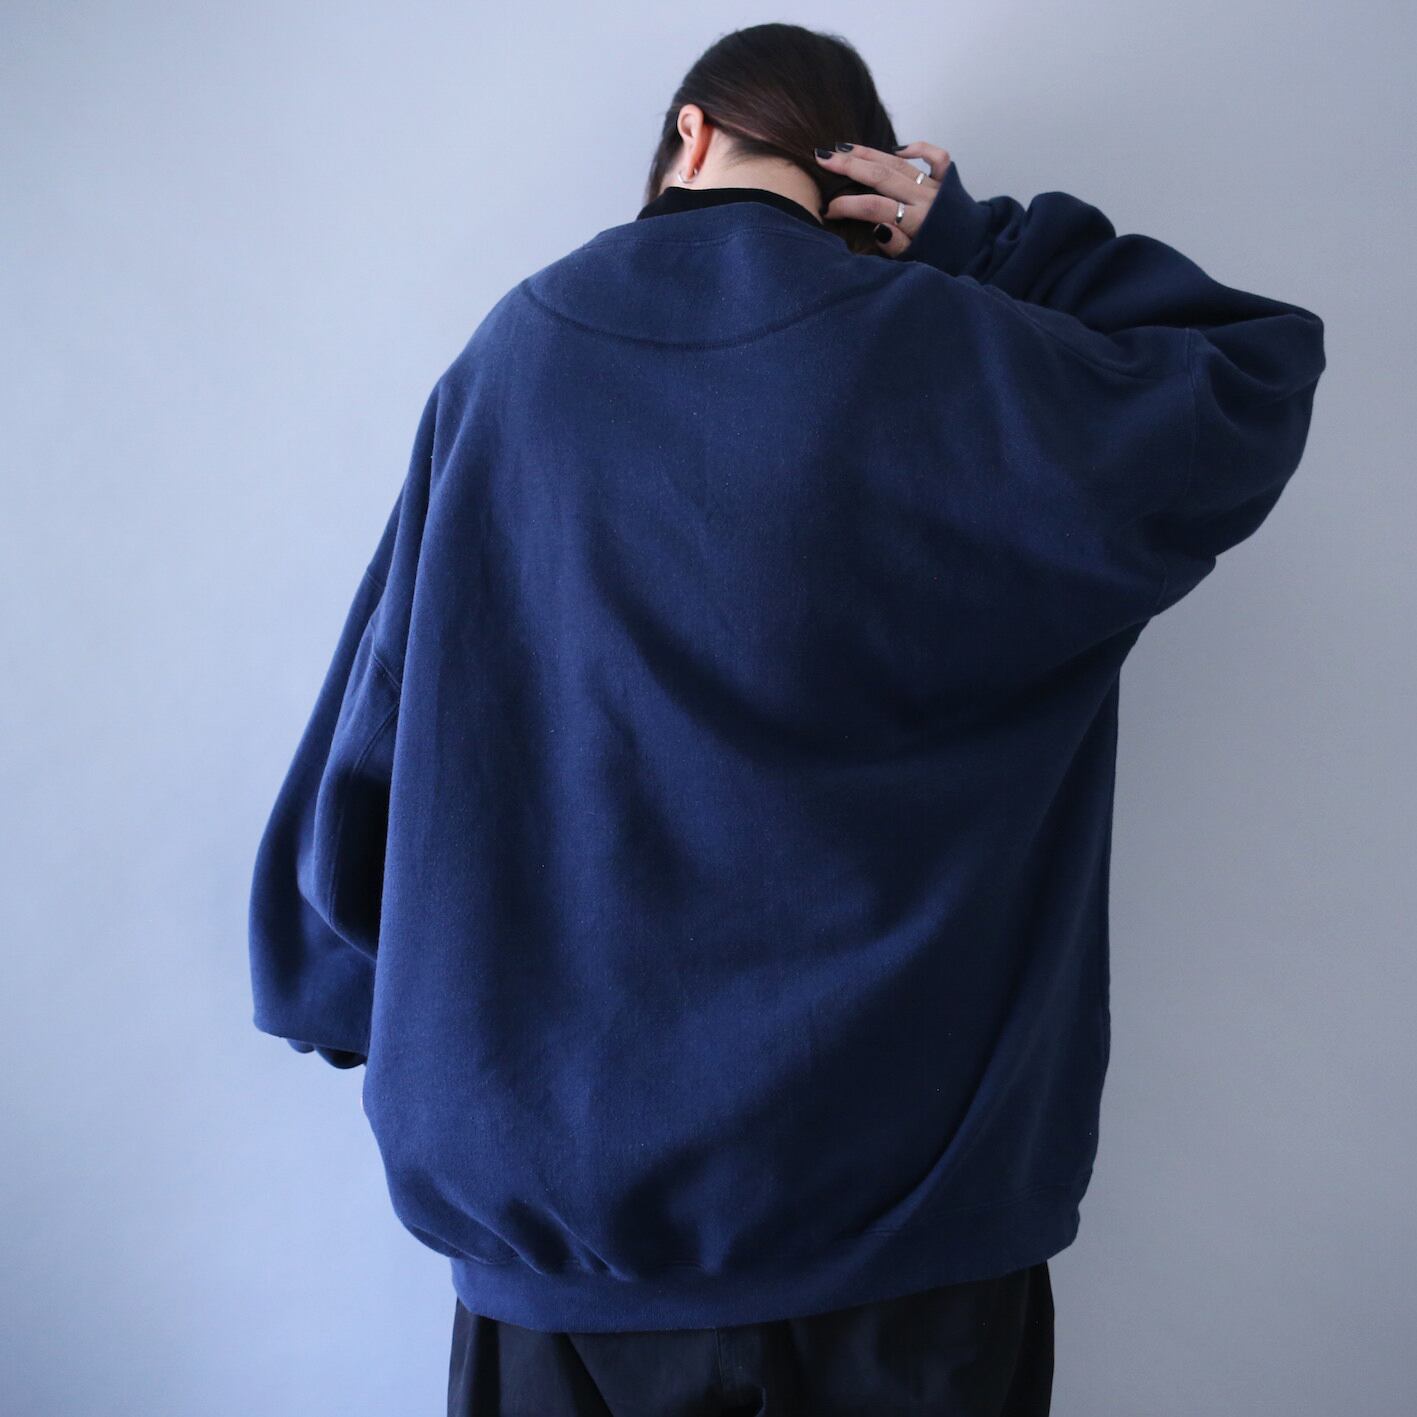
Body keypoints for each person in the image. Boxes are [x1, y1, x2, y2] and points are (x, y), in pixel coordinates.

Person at [246, 22, 1326, 1417]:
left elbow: (389, 707)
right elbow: (1245, 375)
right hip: (909, 1216)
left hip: (573, 1225)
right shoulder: (962, 352)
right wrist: (982, 247)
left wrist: (333, 985)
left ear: (690, 136)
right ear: (857, 179)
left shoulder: (519, 359)